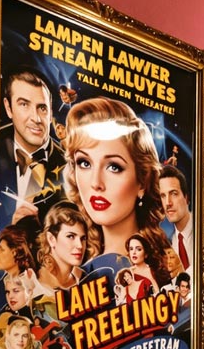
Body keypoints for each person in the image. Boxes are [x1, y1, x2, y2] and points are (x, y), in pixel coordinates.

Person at [61, 97, 177, 271]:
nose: (95, 183)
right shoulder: (77, 271)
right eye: (84, 163)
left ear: (142, 181)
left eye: (114, 167)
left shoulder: (169, 268)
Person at [0, 67, 66, 231]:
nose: (35, 118)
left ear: (51, 113)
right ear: (8, 108)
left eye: (42, 108)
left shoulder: (71, 168)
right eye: (24, 105)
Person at [34, 204, 95, 295]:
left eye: (83, 239)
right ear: (51, 239)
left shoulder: (85, 276)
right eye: (70, 236)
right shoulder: (37, 283)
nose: (80, 246)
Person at [158, 166, 195, 271]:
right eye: (163, 196)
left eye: (173, 194)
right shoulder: (170, 244)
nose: (167, 203)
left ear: (186, 198)